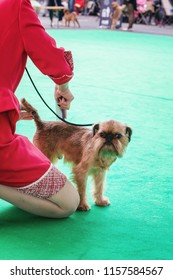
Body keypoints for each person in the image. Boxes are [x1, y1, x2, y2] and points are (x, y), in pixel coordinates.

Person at [0, 0, 80, 218]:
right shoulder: (15, 5)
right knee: (69, 203)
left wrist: (10, 106)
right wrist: (63, 86)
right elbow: (52, 57)